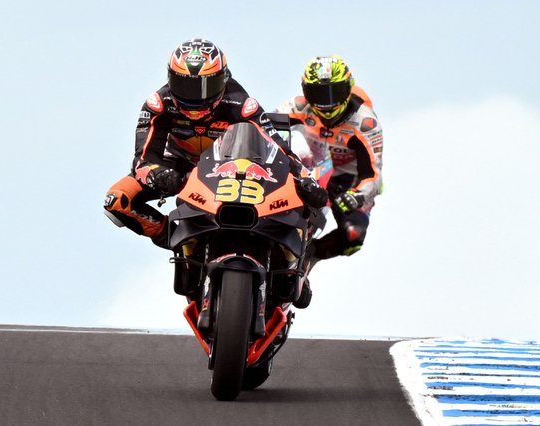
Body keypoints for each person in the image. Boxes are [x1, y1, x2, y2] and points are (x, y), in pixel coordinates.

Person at [104, 38, 326, 250]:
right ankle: (172, 236)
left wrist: (308, 181)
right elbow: (142, 160)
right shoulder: (158, 104)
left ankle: (289, 257)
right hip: (178, 167)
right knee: (116, 200)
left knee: (302, 200)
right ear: (170, 79)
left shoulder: (242, 103)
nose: (195, 97)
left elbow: (280, 150)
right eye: (184, 85)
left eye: (206, 85)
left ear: (224, 79)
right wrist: (159, 174)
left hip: (230, 167)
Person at [278, 55, 384, 275]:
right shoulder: (297, 106)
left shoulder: (365, 122)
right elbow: (261, 128)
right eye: (317, 94)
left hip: (346, 182)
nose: (326, 103)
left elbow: (374, 176)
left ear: (348, 88)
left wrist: (357, 195)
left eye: (333, 93)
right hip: (307, 170)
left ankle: (312, 253)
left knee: (353, 236)